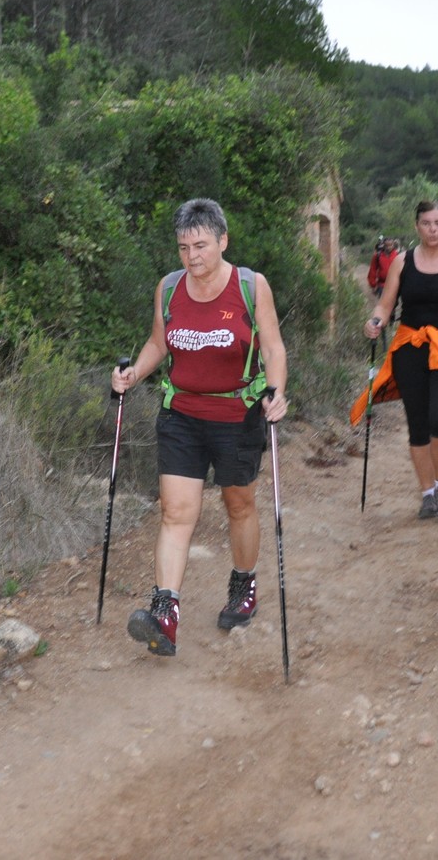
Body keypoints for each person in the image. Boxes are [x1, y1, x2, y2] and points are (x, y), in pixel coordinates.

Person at [111, 198, 289, 658]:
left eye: (201, 246)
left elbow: (273, 347)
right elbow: (158, 342)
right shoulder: (170, 288)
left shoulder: (251, 286)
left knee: (238, 504)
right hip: (182, 415)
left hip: (237, 415)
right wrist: (134, 374)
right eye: (184, 247)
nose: (192, 257)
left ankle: (243, 585)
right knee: (175, 512)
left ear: (223, 241)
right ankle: (164, 615)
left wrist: (276, 391)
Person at [358, 200, 438, 519]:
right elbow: (386, 305)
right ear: (417, 226)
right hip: (410, 348)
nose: (433, 229)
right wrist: (375, 321)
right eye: (427, 223)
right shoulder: (402, 262)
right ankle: (427, 494)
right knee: (417, 423)